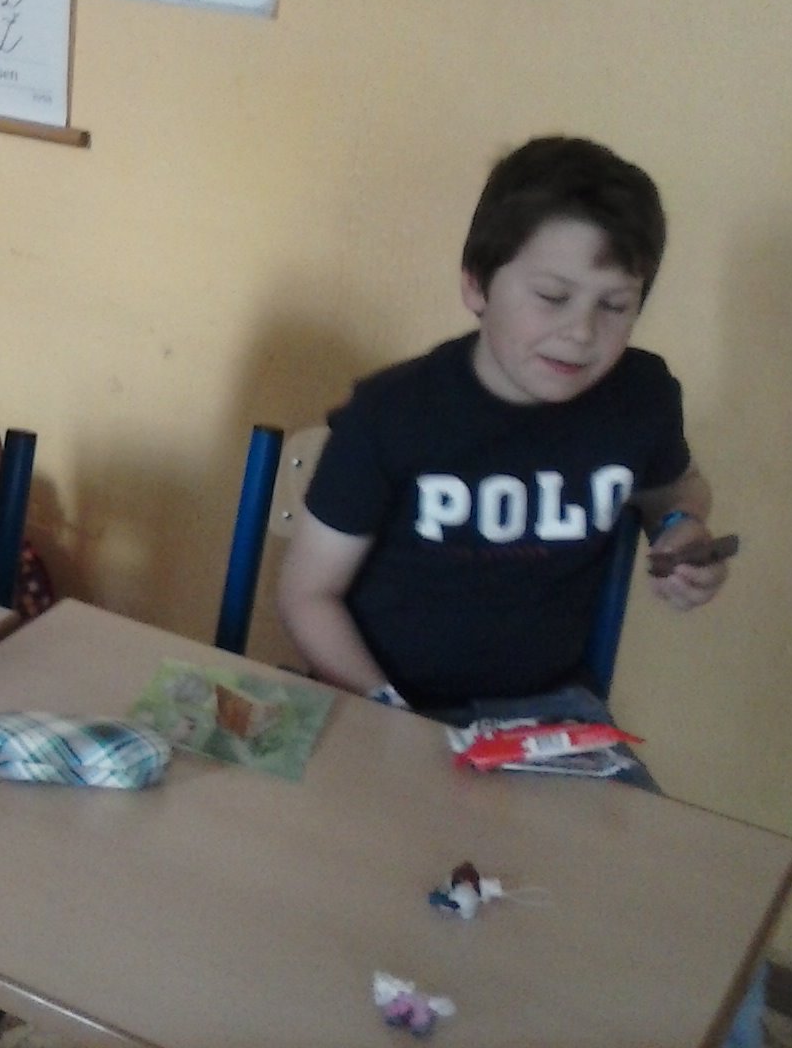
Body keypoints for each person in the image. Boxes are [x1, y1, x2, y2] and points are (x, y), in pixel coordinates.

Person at [275, 134, 764, 1046]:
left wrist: (679, 531)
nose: (582, 333)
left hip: (547, 720)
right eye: (552, 296)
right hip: (379, 707)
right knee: (328, 929)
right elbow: (308, 597)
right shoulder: (396, 415)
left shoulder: (640, 397)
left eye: (616, 305)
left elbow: (676, 488)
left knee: (707, 939)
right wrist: (393, 718)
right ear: (476, 284)